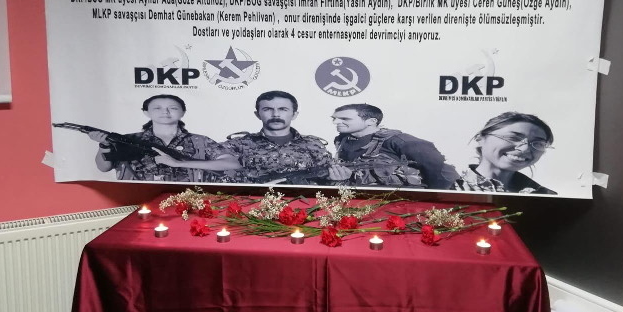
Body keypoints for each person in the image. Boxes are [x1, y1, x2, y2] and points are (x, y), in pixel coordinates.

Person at [88, 94, 240, 182]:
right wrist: (104, 146)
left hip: (190, 203)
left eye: (172, 108)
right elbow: (103, 168)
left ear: (183, 112)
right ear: (146, 112)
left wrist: (179, 163)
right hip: (138, 202)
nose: (165, 112)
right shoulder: (127, 140)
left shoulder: (200, 141)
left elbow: (232, 163)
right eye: (157, 108)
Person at [329, 104, 459, 189]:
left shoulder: (399, 141)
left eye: (345, 119)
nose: (335, 122)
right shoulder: (342, 141)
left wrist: (432, 198)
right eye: (334, 118)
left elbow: (441, 171)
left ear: (371, 121)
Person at [221, 90, 336, 184]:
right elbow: (217, 175)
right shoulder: (238, 145)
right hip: (253, 202)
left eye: (283, 109)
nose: (275, 114)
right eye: (267, 109)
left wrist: (336, 180)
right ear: (257, 114)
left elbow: (327, 182)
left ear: (294, 114)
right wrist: (254, 187)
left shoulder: (314, 145)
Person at [456, 111, 557, 194]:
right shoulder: (452, 187)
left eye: (538, 143)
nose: (525, 149)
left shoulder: (545, 196)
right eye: (513, 138)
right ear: (480, 139)